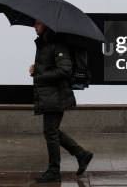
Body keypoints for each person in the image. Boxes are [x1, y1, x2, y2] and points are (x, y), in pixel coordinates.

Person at [30, 20, 93, 183]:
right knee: (52, 131)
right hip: (49, 94)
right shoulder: (45, 43)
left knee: (50, 132)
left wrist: (40, 76)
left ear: (46, 25)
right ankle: (81, 154)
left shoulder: (57, 45)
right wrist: (36, 69)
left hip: (56, 95)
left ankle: (54, 171)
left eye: (37, 24)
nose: (34, 26)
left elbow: (65, 70)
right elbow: (48, 66)